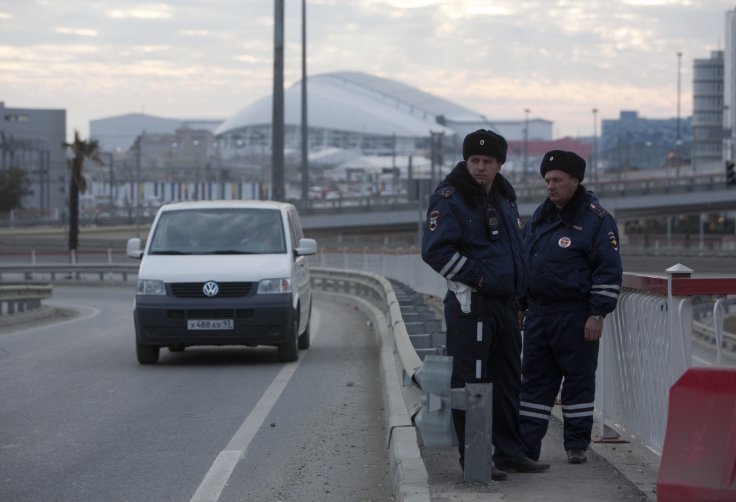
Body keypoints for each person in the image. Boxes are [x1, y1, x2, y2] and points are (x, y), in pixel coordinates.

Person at [421, 129, 550, 481]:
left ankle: (510, 453)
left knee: (509, 380)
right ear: (466, 161)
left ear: (499, 164)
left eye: (487, 162)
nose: (480, 167)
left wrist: (518, 295)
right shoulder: (450, 198)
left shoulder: (504, 197)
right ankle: (475, 457)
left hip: (506, 305)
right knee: (473, 382)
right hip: (472, 305)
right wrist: (478, 277)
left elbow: (515, 250)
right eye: (474, 161)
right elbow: (435, 251)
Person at [519, 150, 623, 465]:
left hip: (576, 316)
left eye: (557, 180)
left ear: (575, 181)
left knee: (578, 382)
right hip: (538, 314)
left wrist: (597, 313)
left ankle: (576, 445)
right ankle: (527, 448)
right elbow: (526, 262)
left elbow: (608, 269)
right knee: (534, 383)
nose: (550, 186)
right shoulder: (540, 216)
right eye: (547, 180)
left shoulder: (596, 220)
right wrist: (520, 305)